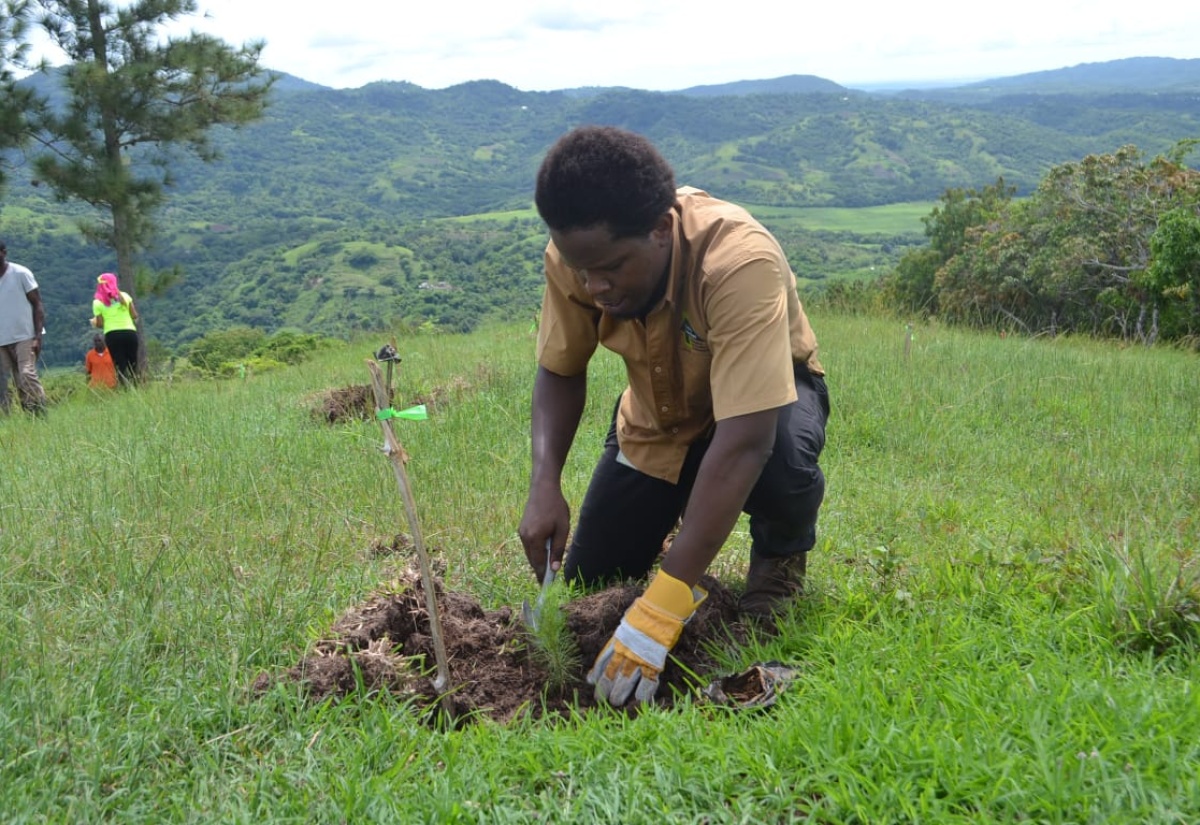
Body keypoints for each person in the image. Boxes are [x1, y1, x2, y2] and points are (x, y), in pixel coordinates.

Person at [517, 126, 830, 707]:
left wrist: (661, 610)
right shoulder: (579, 257)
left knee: (784, 451)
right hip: (658, 417)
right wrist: (544, 484)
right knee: (593, 583)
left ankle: (780, 558)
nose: (595, 286)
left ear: (662, 228)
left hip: (764, 411)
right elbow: (561, 369)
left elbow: (745, 441)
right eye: (582, 271)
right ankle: (678, 543)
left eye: (611, 267)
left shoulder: (737, 260)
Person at [0, 240, 49, 416]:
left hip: (25, 336)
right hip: (1, 340)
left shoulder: (20, 273)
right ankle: (11, 418)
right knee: (5, 382)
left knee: (26, 374)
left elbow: (38, 305)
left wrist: (37, 337)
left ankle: (40, 412)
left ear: (3, 252)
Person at [91, 272, 138, 384]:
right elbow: (134, 315)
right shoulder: (125, 296)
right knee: (133, 363)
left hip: (112, 335)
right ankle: (138, 387)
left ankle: (125, 390)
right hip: (130, 333)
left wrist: (94, 322)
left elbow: (100, 324)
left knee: (120, 365)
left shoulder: (97, 302)